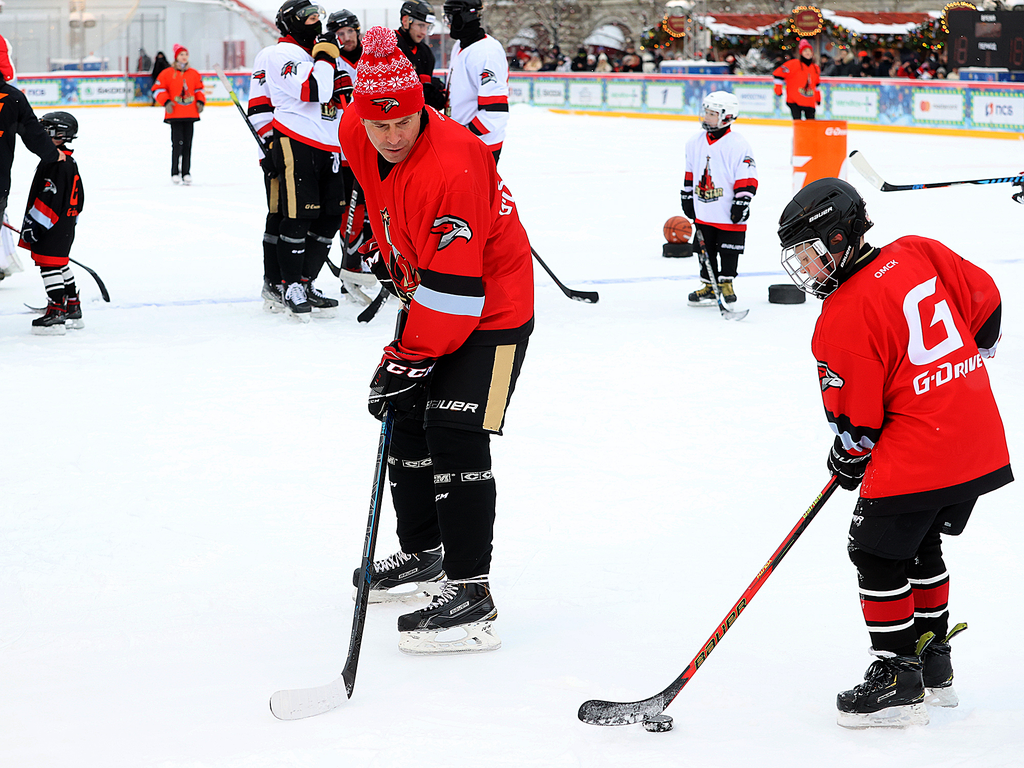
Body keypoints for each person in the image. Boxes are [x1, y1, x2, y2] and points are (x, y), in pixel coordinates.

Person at [777, 178, 1012, 729]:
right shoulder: (916, 250)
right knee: (919, 541)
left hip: (920, 450)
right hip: (975, 435)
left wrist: (847, 459)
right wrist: (948, 377)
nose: (808, 270)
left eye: (810, 255)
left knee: (876, 553)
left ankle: (896, 675)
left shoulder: (840, 317)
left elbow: (858, 424)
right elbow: (988, 304)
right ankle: (935, 665)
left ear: (838, 239)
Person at [338, 27, 534, 654]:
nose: (392, 136)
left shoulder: (452, 164)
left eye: (404, 123)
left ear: (424, 105)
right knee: (407, 423)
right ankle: (426, 555)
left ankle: (471, 591)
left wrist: (405, 357)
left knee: (455, 431)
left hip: (493, 308)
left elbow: (459, 296)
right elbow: (370, 186)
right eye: (380, 125)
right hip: (427, 290)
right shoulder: (357, 129)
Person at [261, 0, 346, 320]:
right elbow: (315, 89)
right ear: (291, 22)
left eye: (317, 18)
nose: (315, 23)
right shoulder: (280, 54)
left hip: (329, 145)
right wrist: (325, 55)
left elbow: (335, 97)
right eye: (308, 18)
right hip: (295, 141)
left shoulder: (315, 54)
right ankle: (290, 284)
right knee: (297, 217)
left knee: (330, 218)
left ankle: (307, 281)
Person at [680, 90, 757, 306]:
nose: (706, 117)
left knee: (729, 249)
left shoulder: (737, 144)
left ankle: (726, 283)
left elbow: (746, 174)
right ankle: (709, 286)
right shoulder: (694, 142)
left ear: (726, 116)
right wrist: (687, 196)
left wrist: (742, 200)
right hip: (704, 210)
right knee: (705, 250)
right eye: (706, 112)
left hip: (728, 210)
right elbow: (690, 172)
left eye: (712, 113)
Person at [18, 112, 85, 335]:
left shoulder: (57, 162)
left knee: (50, 266)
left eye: (46, 129)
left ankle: (56, 311)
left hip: (53, 224)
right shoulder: (67, 160)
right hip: (64, 224)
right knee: (60, 263)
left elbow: (50, 197)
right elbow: (79, 198)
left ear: (60, 134)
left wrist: (35, 224)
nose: (42, 133)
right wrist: (69, 219)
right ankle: (72, 305)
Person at [442, 0, 509, 164]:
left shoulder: (487, 52)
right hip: (461, 141)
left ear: (462, 17)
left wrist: (465, 133)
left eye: (450, 18)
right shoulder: (460, 45)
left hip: (480, 145)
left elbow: (495, 112)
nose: (448, 24)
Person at [152, 44, 206, 184]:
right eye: (181, 54)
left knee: (188, 144)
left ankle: (186, 172)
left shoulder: (194, 73)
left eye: (186, 54)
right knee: (177, 144)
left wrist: (200, 102)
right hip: (175, 114)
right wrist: (166, 102)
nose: (184, 57)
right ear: (176, 57)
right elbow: (158, 89)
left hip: (190, 113)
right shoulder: (167, 73)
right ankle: (175, 172)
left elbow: (199, 89)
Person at [395, 0, 448, 111]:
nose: (424, 32)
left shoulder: (425, 53)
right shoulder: (390, 46)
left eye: (427, 27)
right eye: (420, 25)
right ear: (405, 21)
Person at [773, 38, 821, 120]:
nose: (808, 53)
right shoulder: (793, 64)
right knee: (797, 122)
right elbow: (778, 74)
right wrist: (778, 89)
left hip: (809, 100)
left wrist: (817, 98)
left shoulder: (815, 68)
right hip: (794, 99)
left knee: (810, 123)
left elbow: (816, 84)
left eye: (809, 51)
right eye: (805, 51)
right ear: (801, 53)